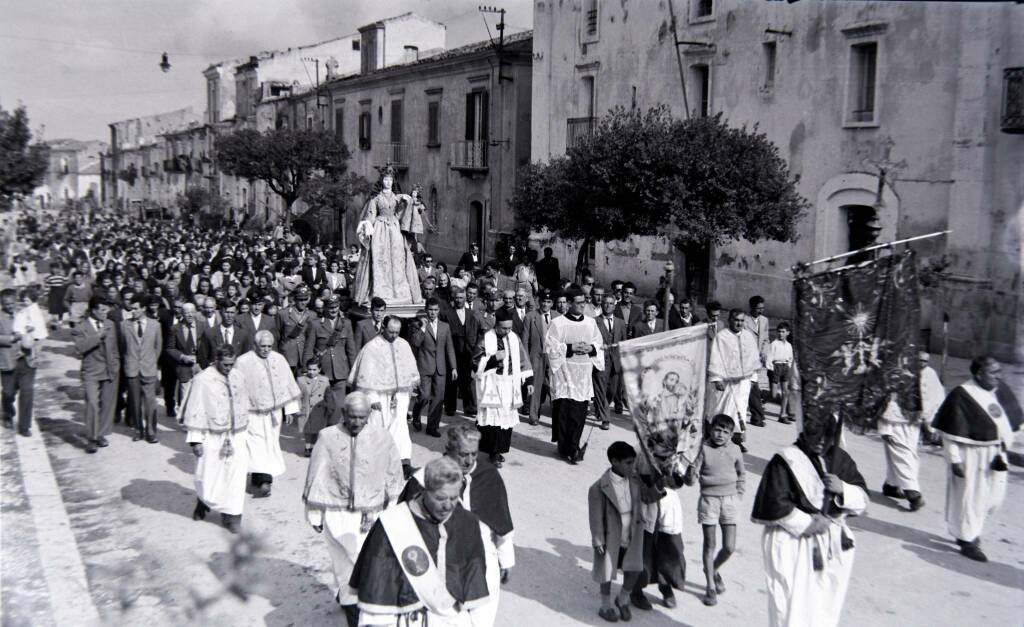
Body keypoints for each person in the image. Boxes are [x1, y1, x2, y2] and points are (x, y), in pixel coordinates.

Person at [751, 416, 868, 627]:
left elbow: (862, 499)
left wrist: (843, 489)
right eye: (816, 435)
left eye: (827, 436)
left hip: (832, 543)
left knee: (824, 606)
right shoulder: (787, 459)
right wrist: (808, 522)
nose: (822, 441)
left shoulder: (841, 459)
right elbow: (774, 501)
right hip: (792, 542)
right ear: (805, 433)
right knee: (789, 608)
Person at [349, 456, 492, 626]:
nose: (448, 506)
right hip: (406, 619)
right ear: (424, 491)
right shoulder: (392, 524)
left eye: (453, 498)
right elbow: (377, 587)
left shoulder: (467, 522)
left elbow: (474, 581)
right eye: (440, 498)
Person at [303, 390, 405, 627]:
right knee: (344, 568)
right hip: (337, 514)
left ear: (369, 414)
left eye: (362, 417)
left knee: (369, 564)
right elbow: (317, 476)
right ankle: (352, 611)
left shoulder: (383, 438)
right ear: (343, 414)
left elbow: (393, 474)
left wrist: (391, 508)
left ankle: (367, 607)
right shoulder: (328, 437)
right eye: (352, 417)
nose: (357, 422)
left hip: (371, 515)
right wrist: (315, 514)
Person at [400, 426, 515, 627]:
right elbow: (404, 529)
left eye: (473, 454)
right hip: (440, 564)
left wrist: (506, 559)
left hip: (482, 560)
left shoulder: (489, 476)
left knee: (481, 619)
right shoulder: (423, 480)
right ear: (448, 449)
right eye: (463, 454)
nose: (469, 461)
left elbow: (501, 521)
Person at [931, 355, 1022, 562]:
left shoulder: (1000, 390)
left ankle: (970, 529)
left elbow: (1012, 421)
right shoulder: (963, 395)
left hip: (996, 455)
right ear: (979, 374)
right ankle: (967, 539)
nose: (998, 377)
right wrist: (954, 460)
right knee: (970, 499)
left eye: (999, 371)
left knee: (992, 499)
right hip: (970, 456)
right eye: (993, 372)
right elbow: (949, 432)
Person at [180, 345, 252, 533]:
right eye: (225, 364)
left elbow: (244, 403)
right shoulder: (203, 380)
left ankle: (233, 516)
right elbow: (196, 409)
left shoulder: (239, 376)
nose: (229, 368)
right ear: (217, 360)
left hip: (237, 435)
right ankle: (204, 501)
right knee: (209, 476)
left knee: (236, 478)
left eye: (232, 364)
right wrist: (195, 441)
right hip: (211, 436)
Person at [347, 316, 420, 477]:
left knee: (400, 427)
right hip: (379, 396)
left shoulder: (403, 344)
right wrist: (372, 399)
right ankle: (375, 465)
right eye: (391, 331)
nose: (394, 335)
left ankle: (403, 462)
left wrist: (410, 391)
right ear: (383, 328)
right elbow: (365, 377)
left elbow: (410, 370)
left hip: (400, 395)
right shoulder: (372, 347)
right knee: (378, 429)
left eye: (397, 332)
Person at [685, 414, 745, 607]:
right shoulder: (703, 449)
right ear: (711, 430)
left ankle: (711, 569)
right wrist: (690, 472)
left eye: (725, 432)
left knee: (729, 547)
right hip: (709, 501)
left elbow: (741, 473)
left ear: (730, 435)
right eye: (717, 430)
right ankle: (710, 586)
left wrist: (739, 493)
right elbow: (690, 481)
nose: (720, 435)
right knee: (710, 544)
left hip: (730, 501)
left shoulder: (735, 450)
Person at [234, 330, 302, 498]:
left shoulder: (279, 359)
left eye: (269, 346)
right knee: (257, 445)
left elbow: (287, 385)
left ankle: (260, 477)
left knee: (270, 443)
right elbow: (235, 388)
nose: (266, 350)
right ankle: (264, 481)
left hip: (274, 412)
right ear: (255, 345)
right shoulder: (243, 362)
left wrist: (290, 409)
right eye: (262, 346)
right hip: (253, 413)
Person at [588, 441, 648, 622]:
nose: (632, 467)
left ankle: (623, 598)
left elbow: (650, 495)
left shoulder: (636, 481)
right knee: (607, 570)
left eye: (633, 463)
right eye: (628, 463)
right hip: (611, 535)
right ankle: (605, 605)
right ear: (614, 461)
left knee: (634, 568)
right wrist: (598, 538)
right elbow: (595, 517)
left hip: (632, 533)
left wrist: (660, 486)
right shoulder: (598, 488)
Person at [878, 351, 945, 511]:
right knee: (904, 456)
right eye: (919, 360)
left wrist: (930, 426)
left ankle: (891, 485)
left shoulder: (930, 375)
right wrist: (885, 429)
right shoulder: (898, 373)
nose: (921, 364)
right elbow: (884, 401)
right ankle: (913, 493)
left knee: (909, 454)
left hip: (914, 423)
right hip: (894, 423)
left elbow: (936, 399)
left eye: (925, 361)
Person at [546, 287, 604, 464]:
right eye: (578, 302)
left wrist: (591, 348)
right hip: (564, 374)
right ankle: (564, 447)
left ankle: (574, 447)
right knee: (564, 413)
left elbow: (598, 343)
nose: (582, 305)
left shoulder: (590, 323)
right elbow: (550, 347)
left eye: (584, 302)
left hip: (582, 374)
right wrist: (570, 347)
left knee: (578, 413)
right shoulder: (558, 323)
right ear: (569, 303)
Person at [352, 165, 423, 306]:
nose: (388, 182)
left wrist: (410, 201)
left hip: (395, 229)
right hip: (380, 229)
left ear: (393, 181)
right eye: (385, 179)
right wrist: (367, 225)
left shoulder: (397, 198)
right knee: (380, 258)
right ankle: (380, 292)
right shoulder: (376, 198)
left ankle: (398, 291)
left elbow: (402, 211)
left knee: (398, 258)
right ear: (382, 181)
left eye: (390, 180)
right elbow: (371, 214)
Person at [473, 308, 534, 467]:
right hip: (492, 384)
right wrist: (493, 359)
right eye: (504, 328)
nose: (507, 331)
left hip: (509, 384)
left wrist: (529, 381)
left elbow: (523, 359)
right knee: (493, 420)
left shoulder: (514, 338)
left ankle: (500, 449)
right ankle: (492, 452)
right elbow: (474, 363)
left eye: (509, 328)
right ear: (496, 325)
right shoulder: (485, 338)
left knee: (506, 418)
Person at [72, 296, 121, 453]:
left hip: (110, 370)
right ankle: (91, 438)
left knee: (108, 405)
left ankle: (100, 434)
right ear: (93, 311)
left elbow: (114, 346)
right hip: (91, 371)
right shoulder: (80, 327)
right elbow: (80, 348)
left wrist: (116, 363)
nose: (105, 313)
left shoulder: (110, 324)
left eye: (107, 309)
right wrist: (97, 336)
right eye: (102, 310)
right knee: (92, 404)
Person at [708, 309, 760, 453]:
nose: (739, 323)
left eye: (742, 320)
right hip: (726, 382)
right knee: (722, 410)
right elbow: (715, 357)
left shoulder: (749, 337)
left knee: (741, 411)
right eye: (736, 320)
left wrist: (754, 377)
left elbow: (753, 357)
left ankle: (736, 441)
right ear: (730, 320)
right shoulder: (722, 337)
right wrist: (716, 378)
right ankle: (715, 439)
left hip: (743, 382)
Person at [409, 297, 458, 437]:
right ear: (426, 310)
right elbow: (415, 343)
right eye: (430, 310)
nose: (433, 313)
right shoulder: (418, 325)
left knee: (437, 399)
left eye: (435, 310)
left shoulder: (445, 326)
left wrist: (453, 367)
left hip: (440, 367)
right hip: (424, 366)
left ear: (439, 310)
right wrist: (423, 328)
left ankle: (432, 427)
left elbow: (449, 348)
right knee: (424, 396)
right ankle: (416, 415)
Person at [121, 295, 162, 443]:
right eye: (132, 309)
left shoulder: (155, 325)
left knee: (150, 402)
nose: (133, 311)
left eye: (136, 308)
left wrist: (151, 362)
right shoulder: (125, 325)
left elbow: (158, 347)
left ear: (144, 308)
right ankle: (138, 430)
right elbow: (122, 348)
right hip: (132, 369)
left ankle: (151, 431)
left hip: (149, 368)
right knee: (135, 401)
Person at [303, 294, 356, 407]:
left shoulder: (346, 323)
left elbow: (351, 350)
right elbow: (308, 350)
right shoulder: (315, 324)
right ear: (325, 308)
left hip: (341, 372)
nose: (334, 310)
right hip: (321, 371)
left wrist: (354, 371)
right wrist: (306, 370)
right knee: (320, 406)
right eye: (331, 307)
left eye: (336, 306)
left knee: (338, 407)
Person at [1, 288, 39, 436]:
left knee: (27, 392)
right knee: (8, 392)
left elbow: (38, 329)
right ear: (1, 303)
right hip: (7, 361)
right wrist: (9, 339)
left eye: (12, 303)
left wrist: (32, 330)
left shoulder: (24, 313)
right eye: (6, 304)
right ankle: (8, 413)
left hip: (26, 359)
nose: (10, 306)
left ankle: (24, 426)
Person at [443, 286, 481, 418]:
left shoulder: (471, 313)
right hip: (452, 351)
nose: (459, 300)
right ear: (453, 298)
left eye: (461, 298)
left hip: (468, 353)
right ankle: (450, 407)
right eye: (457, 297)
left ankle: (470, 407)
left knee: (468, 381)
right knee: (451, 381)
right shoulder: (447, 313)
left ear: (465, 298)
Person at [593, 293, 627, 430]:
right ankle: (605, 419)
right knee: (600, 390)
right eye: (605, 303)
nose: (608, 306)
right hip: (600, 361)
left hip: (615, 362)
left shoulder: (620, 322)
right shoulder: (594, 321)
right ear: (601, 304)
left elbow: (624, 343)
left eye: (611, 303)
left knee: (612, 391)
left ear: (615, 305)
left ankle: (599, 406)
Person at [523, 289, 557, 426]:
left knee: (554, 389)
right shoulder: (530, 317)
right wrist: (526, 361)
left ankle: (557, 419)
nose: (545, 304)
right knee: (535, 388)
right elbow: (525, 341)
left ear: (552, 303)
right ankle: (533, 415)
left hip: (553, 358)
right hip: (536, 357)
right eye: (543, 301)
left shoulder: (558, 317)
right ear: (539, 302)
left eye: (548, 302)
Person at [165, 302, 202, 412]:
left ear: (195, 312)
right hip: (184, 366)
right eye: (186, 313)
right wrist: (182, 357)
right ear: (182, 314)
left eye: (192, 312)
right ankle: (186, 420)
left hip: (199, 366)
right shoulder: (175, 329)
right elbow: (170, 348)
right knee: (185, 395)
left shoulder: (202, 326)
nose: (190, 315)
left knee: (199, 394)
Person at [296, 358, 335, 457]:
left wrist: (329, 406)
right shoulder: (301, 380)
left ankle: (314, 446)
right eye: (309, 369)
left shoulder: (325, 380)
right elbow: (297, 396)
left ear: (319, 369)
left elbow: (328, 395)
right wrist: (298, 407)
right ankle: (307, 447)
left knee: (317, 429)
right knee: (307, 430)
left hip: (319, 409)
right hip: (306, 408)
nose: (311, 372)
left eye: (314, 370)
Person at [198, 300, 252, 368]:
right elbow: (202, 358)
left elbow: (247, 358)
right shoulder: (209, 333)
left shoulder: (243, 334)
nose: (229, 316)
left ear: (235, 313)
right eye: (226, 312)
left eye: (232, 313)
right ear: (220, 312)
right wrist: (210, 367)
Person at [744, 296, 770, 428]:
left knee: (752, 386)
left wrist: (764, 352)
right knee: (752, 386)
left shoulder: (765, 321)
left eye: (762, 308)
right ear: (752, 308)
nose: (761, 311)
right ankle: (757, 415)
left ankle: (757, 415)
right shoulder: (744, 320)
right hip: (745, 359)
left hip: (757, 360)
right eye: (758, 308)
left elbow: (766, 339)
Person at [277, 284, 313, 375]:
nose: (303, 302)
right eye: (300, 299)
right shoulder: (283, 314)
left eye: (305, 299)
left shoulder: (312, 315)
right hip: (288, 355)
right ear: (295, 299)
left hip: (305, 356)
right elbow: (277, 335)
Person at [766, 322, 795, 423]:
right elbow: (769, 358)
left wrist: (788, 366)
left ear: (788, 333)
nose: (780, 334)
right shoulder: (774, 344)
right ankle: (763, 397)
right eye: (779, 331)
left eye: (783, 332)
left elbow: (790, 358)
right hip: (776, 367)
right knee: (773, 395)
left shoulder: (789, 345)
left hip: (785, 367)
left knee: (785, 392)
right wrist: (771, 369)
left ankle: (782, 414)